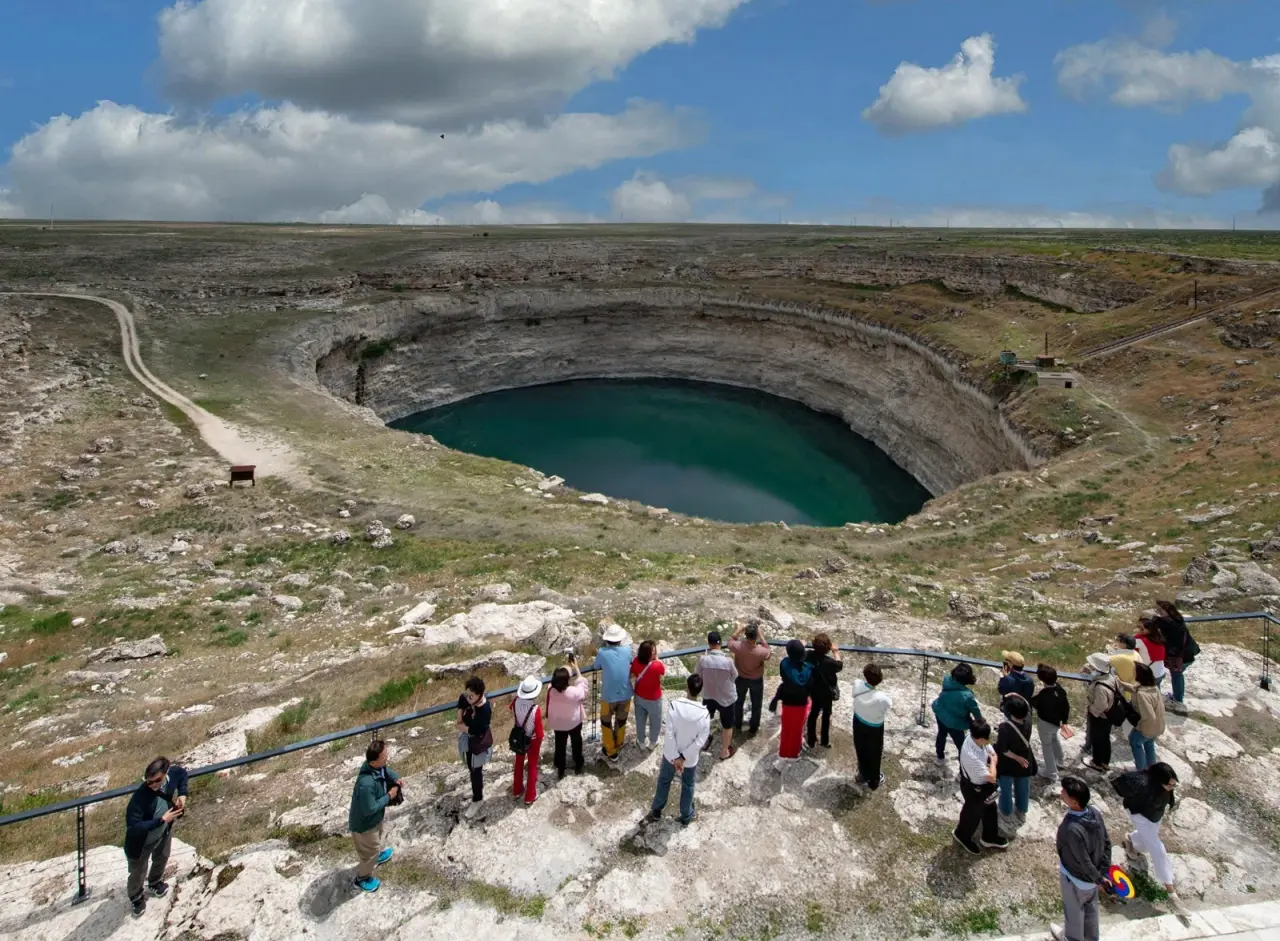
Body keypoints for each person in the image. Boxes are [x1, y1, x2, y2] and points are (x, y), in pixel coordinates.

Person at [124, 756, 189, 916]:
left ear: (166, 774)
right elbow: (133, 826)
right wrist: (161, 820)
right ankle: (136, 897)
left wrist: (183, 794)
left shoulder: (172, 775)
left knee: (162, 856)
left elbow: (182, 774)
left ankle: (154, 882)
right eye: (149, 781)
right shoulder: (139, 798)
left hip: (163, 832)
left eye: (156, 780)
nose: (152, 784)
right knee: (138, 871)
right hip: (141, 841)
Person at [1049, 776, 1111, 941]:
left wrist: (1099, 879)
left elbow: (1083, 860)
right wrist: (1102, 874)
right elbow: (1107, 842)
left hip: (1075, 879)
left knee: (1073, 912)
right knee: (1091, 913)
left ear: (1074, 802)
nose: (1061, 793)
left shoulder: (1072, 829)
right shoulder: (1095, 813)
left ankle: (1070, 938)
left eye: (1065, 792)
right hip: (1093, 878)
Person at [647, 674, 712, 826]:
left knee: (664, 780)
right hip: (689, 760)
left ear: (686, 687)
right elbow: (700, 742)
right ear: (700, 691)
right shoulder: (705, 715)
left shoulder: (675, 706)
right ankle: (686, 814)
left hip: (670, 754)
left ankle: (657, 810)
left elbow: (669, 733)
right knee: (688, 785)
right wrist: (683, 758)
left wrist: (676, 756)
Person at [1114, 762, 1179, 895]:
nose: (1171, 788)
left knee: (1147, 843)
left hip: (1155, 814)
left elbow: (1169, 796)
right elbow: (1120, 783)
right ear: (1159, 780)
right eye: (1169, 785)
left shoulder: (1165, 786)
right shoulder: (1141, 782)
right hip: (1140, 815)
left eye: (1174, 785)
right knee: (1157, 848)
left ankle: (1131, 839)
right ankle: (1170, 891)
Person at [348, 740, 401, 894]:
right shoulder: (366, 784)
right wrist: (389, 796)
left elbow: (385, 770)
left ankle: (376, 856)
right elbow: (369, 808)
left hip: (375, 820)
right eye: (384, 756)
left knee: (377, 839)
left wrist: (395, 777)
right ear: (373, 761)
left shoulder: (374, 767)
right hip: (365, 825)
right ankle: (362, 878)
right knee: (369, 853)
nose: (387, 757)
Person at [952, 719, 1010, 854]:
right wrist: (993, 763)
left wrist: (992, 758)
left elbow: (991, 750)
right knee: (972, 814)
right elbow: (992, 777)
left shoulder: (973, 738)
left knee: (990, 808)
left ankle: (989, 837)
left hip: (982, 787)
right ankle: (962, 835)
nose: (988, 740)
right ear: (979, 738)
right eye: (986, 738)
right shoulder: (971, 756)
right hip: (974, 789)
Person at [996, 694, 1037, 834]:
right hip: (1025, 760)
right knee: (1023, 786)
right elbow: (1027, 705)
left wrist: (1016, 757)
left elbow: (1003, 749)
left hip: (1008, 763)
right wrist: (1019, 696)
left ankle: (1006, 812)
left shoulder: (1005, 727)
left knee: (1006, 788)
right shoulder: (1028, 722)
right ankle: (1022, 810)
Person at [696, 630, 739, 760]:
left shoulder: (703, 660)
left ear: (709, 644)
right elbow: (735, 676)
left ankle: (704, 741)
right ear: (720, 643)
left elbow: (697, 675)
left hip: (708, 695)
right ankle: (724, 751)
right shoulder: (728, 661)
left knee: (706, 719)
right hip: (726, 698)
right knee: (727, 725)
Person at [596, 622, 634, 761]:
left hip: (608, 695)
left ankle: (611, 751)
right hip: (626, 693)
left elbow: (596, 666)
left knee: (606, 722)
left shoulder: (602, 652)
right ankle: (619, 743)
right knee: (621, 719)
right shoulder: (628, 650)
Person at [932, 662, 983, 763]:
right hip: (955, 723)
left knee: (941, 735)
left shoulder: (947, 680)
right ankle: (962, 770)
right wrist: (979, 720)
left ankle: (939, 757)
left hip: (941, 713)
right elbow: (975, 710)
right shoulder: (967, 696)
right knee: (961, 745)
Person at [852, 663, 893, 790]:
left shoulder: (857, 685)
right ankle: (874, 780)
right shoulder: (882, 698)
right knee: (874, 752)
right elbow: (888, 706)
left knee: (860, 747)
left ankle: (862, 774)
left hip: (858, 721)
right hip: (874, 727)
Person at [547, 660, 588, 779]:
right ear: (567, 680)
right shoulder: (573, 692)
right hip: (573, 722)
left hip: (558, 723)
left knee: (560, 745)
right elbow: (583, 686)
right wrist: (576, 669)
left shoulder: (551, 690)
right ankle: (578, 764)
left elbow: (554, 682)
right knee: (576, 742)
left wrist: (563, 670)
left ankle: (560, 768)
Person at [1032, 663, 1071, 784]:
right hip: (1056, 723)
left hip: (1045, 723)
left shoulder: (1044, 695)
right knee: (1055, 739)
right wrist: (1064, 721)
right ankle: (1060, 761)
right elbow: (1066, 707)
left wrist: (1036, 694)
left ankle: (1051, 772)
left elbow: (1035, 704)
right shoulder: (1060, 690)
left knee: (1047, 746)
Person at [729, 621, 771, 734]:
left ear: (745, 635)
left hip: (740, 678)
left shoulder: (738, 646)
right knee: (756, 704)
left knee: (738, 702)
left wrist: (739, 629)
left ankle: (737, 724)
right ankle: (753, 727)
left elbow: (730, 641)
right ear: (756, 635)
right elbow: (768, 653)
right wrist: (762, 636)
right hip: (756, 679)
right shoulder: (761, 651)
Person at [456, 676, 493, 803]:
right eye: (467, 694)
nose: (467, 698)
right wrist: (459, 718)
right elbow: (461, 703)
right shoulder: (467, 698)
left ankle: (478, 798)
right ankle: (475, 789)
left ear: (479, 695)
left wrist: (463, 728)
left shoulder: (485, 709)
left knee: (476, 769)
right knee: (470, 766)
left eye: (471, 696)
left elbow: (478, 730)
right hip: (469, 738)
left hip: (478, 741)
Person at [776, 639, 814, 760]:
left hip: (787, 701)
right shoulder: (808, 669)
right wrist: (801, 650)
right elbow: (810, 686)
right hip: (801, 703)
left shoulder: (784, 664)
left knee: (786, 727)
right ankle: (793, 753)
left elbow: (790, 663)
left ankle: (783, 751)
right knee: (797, 730)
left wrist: (798, 649)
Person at [1155, 599, 1195, 713]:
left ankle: (1178, 701)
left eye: (1160, 610)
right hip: (1187, 653)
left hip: (1177, 657)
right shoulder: (1178, 619)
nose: (1158, 612)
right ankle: (1178, 698)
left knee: (1176, 675)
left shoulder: (1166, 623)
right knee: (1178, 675)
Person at [805, 633, 844, 749]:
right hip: (826, 692)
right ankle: (824, 741)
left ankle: (811, 740)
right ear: (828, 648)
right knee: (826, 715)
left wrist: (802, 646)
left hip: (814, 689)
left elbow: (800, 654)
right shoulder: (830, 663)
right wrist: (836, 651)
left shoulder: (808, 655)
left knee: (813, 713)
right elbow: (839, 665)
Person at [510, 675, 544, 805]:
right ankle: (530, 795)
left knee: (518, 762)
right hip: (533, 739)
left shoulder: (515, 701)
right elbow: (539, 732)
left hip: (520, 736)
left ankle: (517, 789)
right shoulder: (535, 709)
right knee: (532, 765)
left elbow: (514, 715)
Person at [1084, 653, 1121, 772]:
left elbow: (1101, 705)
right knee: (1105, 739)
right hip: (1110, 714)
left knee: (1097, 739)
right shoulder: (1111, 677)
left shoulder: (1100, 686)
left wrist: (1091, 710)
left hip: (1100, 716)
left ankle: (1097, 762)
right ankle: (1105, 762)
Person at [1125, 662, 1166, 771]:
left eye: (1134, 671)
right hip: (1158, 725)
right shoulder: (1153, 687)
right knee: (1149, 744)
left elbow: (1148, 716)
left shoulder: (1141, 695)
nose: (1132, 672)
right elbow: (1134, 688)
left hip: (1148, 726)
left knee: (1135, 742)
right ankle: (1152, 769)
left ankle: (1141, 771)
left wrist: (1139, 728)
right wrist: (1120, 683)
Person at [630, 640, 666, 750]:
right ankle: (652, 742)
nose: (655, 653)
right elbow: (663, 672)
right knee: (655, 721)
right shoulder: (657, 665)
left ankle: (641, 742)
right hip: (654, 699)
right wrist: (658, 659)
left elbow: (632, 674)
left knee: (640, 720)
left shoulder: (636, 661)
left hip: (639, 696)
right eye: (654, 652)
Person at [998, 650, 1034, 715]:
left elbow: (1001, 690)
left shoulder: (1008, 679)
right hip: (1025, 711)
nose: (1005, 661)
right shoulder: (1030, 679)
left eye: (1007, 660)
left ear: (1011, 664)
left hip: (1011, 711)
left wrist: (1003, 677)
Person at [1135, 617, 1167, 689]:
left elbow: (1127, 646)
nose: (1139, 629)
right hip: (1160, 672)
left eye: (1141, 628)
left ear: (1149, 630)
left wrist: (1137, 634)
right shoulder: (1158, 638)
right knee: (1156, 694)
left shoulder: (1140, 640)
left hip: (1150, 675)